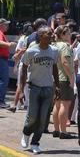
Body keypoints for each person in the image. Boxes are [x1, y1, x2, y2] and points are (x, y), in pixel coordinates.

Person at [20, 26, 60, 154]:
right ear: (40, 36)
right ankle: (26, 133)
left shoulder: (54, 50)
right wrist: (21, 89)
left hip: (48, 88)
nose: (51, 36)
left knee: (43, 119)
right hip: (34, 87)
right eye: (48, 34)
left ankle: (35, 143)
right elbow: (24, 70)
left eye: (52, 34)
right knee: (32, 117)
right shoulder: (31, 51)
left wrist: (57, 86)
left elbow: (54, 69)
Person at [52, 25, 75, 139]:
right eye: (69, 33)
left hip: (56, 78)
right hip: (64, 78)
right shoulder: (65, 46)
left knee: (57, 104)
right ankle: (63, 132)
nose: (70, 35)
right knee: (64, 105)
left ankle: (56, 130)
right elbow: (65, 62)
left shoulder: (54, 45)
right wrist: (71, 77)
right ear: (63, 35)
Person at [8, 22, 33, 112]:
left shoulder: (26, 38)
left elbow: (17, 51)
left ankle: (23, 103)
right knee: (22, 85)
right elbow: (17, 51)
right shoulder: (26, 38)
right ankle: (17, 104)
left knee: (23, 85)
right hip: (25, 63)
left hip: (25, 64)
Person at [0, 18, 17, 108]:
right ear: (1, 25)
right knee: (4, 80)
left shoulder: (2, 33)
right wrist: (9, 44)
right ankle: (1, 101)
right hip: (1, 58)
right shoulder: (0, 33)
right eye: (6, 24)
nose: (8, 26)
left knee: (2, 80)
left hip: (2, 58)